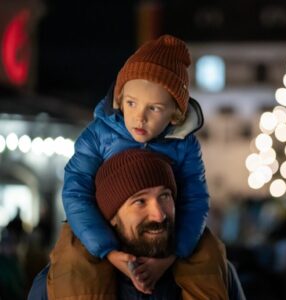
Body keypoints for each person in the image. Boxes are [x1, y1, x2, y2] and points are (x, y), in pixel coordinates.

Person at [59, 34, 228, 298]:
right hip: (96, 228)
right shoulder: (98, 135)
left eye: (155, 108)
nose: (139, 117)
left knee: (208, 258)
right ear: (119, 99)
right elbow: (75, 190)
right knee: (73, 267)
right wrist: (107, 250)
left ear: (176, 113)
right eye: (131, 103)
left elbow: (195, 198)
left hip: (169, 236)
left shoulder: (184, 145)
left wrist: (175, 253)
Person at [28, 149, 246, 299]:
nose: (159, 215)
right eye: (140, 201)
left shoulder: (218, 273)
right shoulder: (55, 284)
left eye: (165, 196)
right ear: (111, 216)